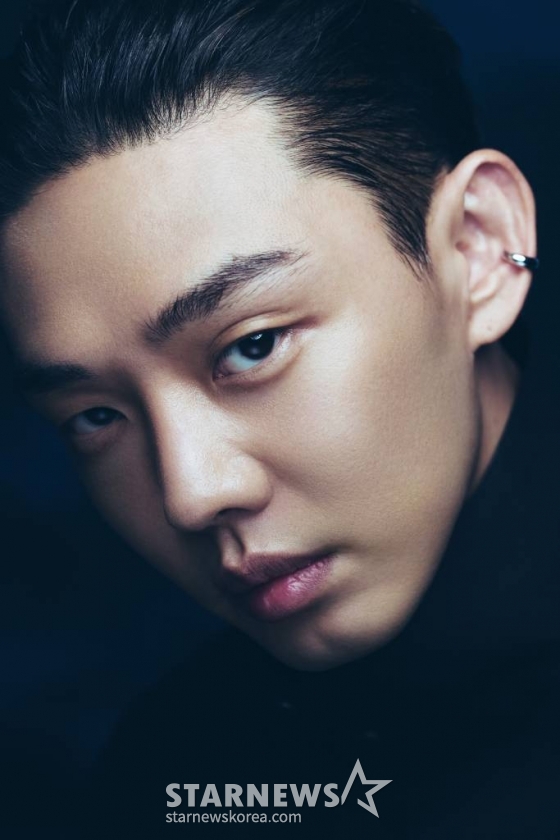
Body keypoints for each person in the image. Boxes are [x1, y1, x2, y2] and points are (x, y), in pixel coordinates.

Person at [0, 0, 558, 836]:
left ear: (477, 248)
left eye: (252, 346)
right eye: (94, 416)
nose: (191, 495)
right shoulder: (166, 778)